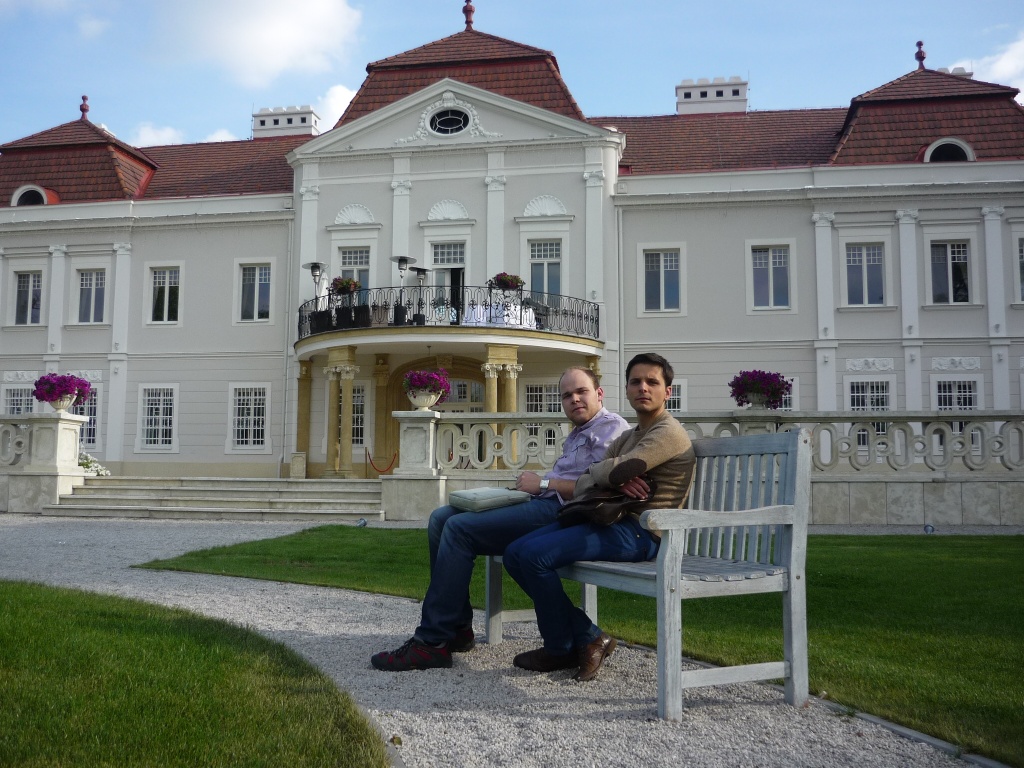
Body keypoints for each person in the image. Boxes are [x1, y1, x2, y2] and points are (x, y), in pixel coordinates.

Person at [371, 366, 629, 671]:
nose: (574, 399)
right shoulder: (577, 432)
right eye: (567, 395)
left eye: (581, 392)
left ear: (599, 394)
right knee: (441, 518)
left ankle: (431, 642)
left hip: (565, 514)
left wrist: (543, 483)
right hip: (542, 503)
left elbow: (600, 488)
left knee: (459, 529)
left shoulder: (611, 428)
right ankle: (457, 629)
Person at [503, 352, 695, 682]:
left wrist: (608, 473)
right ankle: (586, 636)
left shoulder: (668, 432)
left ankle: (561, 647)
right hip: (611, 521)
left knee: (534, 556)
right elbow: (597, 475)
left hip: (643, 533)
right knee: (513, 553)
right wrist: (608, 474)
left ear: (667, 391)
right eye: (636, 382)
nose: (643, 388)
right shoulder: (629, 436)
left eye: (652, 382)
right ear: (627, 389)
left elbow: (615, 470)